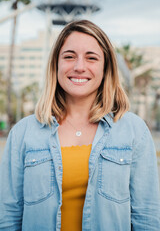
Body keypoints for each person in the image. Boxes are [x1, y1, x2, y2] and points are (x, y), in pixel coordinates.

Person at [0, 20, 160, 231]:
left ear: (106, 68)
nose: (79, 67)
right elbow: (8, 218)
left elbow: (147, 217)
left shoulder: (133, 131)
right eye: (69, 56)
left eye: (91, 58)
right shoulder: (22, 133)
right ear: (56, 64)